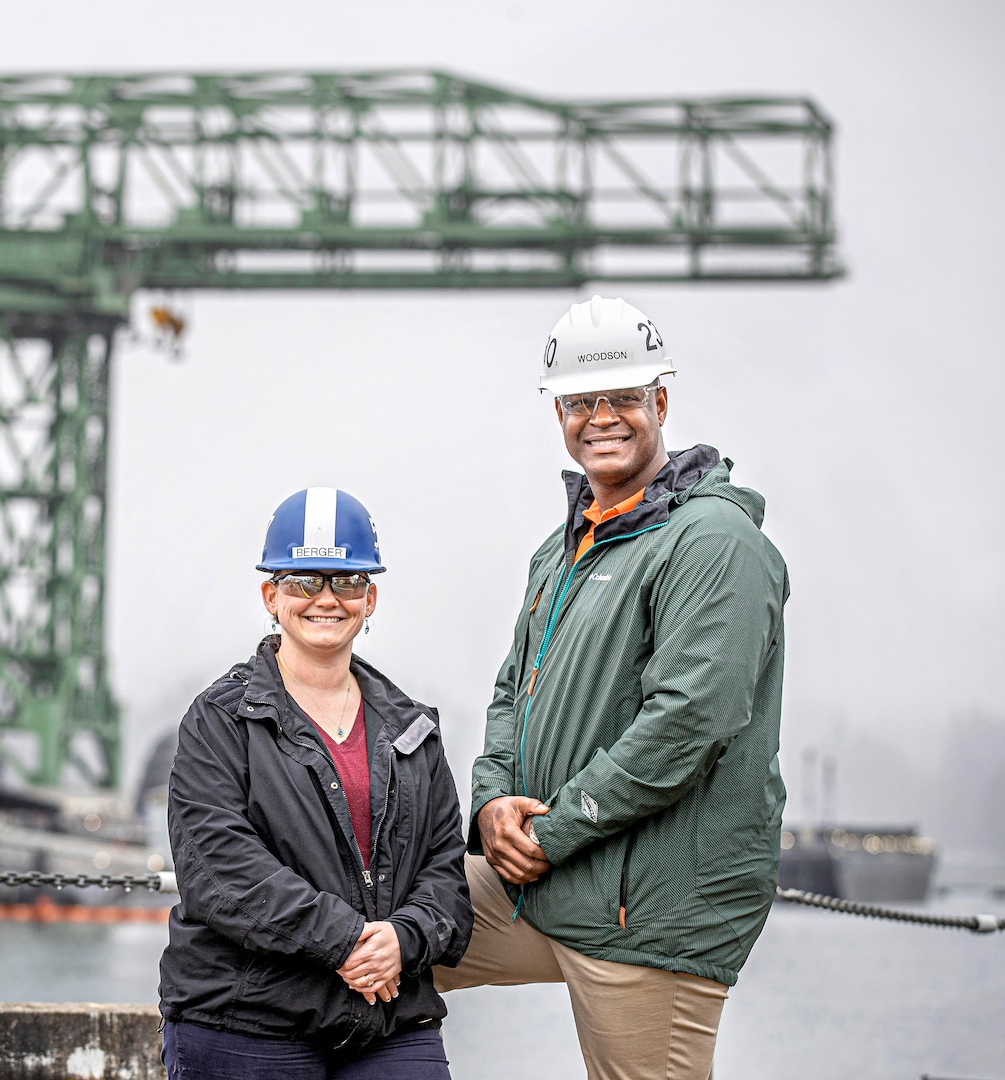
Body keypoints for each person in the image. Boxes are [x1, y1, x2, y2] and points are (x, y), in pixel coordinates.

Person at [434, 296, 790, 1080]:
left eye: (624, 397)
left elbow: (688, 723)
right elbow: (509, 696)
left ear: (660, 401)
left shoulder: (711, 542)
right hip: (546, 882)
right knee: (369, 939)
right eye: (581, 401)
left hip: (649, 910)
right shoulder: (562, 551)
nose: (602, 418)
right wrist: (492, 805)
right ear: (560, 411)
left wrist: (550, 833)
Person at [159, 487, 475, 1080]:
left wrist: (403, 941)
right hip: (247, 1019)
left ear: (370, 598)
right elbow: (220, 868)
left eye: (347, 582)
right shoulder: (220, 721)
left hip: (387, 1018)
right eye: (305, 582)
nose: (326, 599)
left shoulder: (413, 729)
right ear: (270, 595)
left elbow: (444, 870)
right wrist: (350, 940)